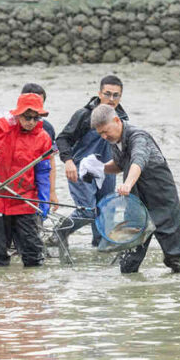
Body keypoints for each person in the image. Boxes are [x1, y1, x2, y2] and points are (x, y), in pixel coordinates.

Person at [90, 104, 180, 274]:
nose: (104, 136)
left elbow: (138, 161)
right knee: (128, 261)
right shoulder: (114, 141)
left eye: (106, 131)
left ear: (116, 120)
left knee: (175, 258)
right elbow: (120, 164)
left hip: (163, 202)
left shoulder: (138, 137)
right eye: (100, 134)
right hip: (136, 204)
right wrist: (99, 168)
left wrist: (127, 184)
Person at [0, 93, 52, 268]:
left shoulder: (43, 138)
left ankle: (31, 288)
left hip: (24, 199)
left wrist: (43, 199)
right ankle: (2, 288)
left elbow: (43, 172)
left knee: (32, 252)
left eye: (36, 118)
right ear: (18, 114)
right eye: (28, 117)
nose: (32, 122)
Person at [55, 75, 129, 247]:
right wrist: (68, 161)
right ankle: (60, 232)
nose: (111, 99)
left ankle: (100, 251)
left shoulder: (122, 118)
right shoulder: (84, 115)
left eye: (115, 95)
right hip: (81, 170)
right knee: (87, 211)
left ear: (120, 97)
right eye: (107, 94)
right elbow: (63, 139)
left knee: (105, 212)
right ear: (99, 93)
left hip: (107, 170)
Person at [21, 83, 58, 211]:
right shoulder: (6, 125)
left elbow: (50, 162)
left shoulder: (47, 128)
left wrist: (51, 193)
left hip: (37, 186)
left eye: (39, 103)